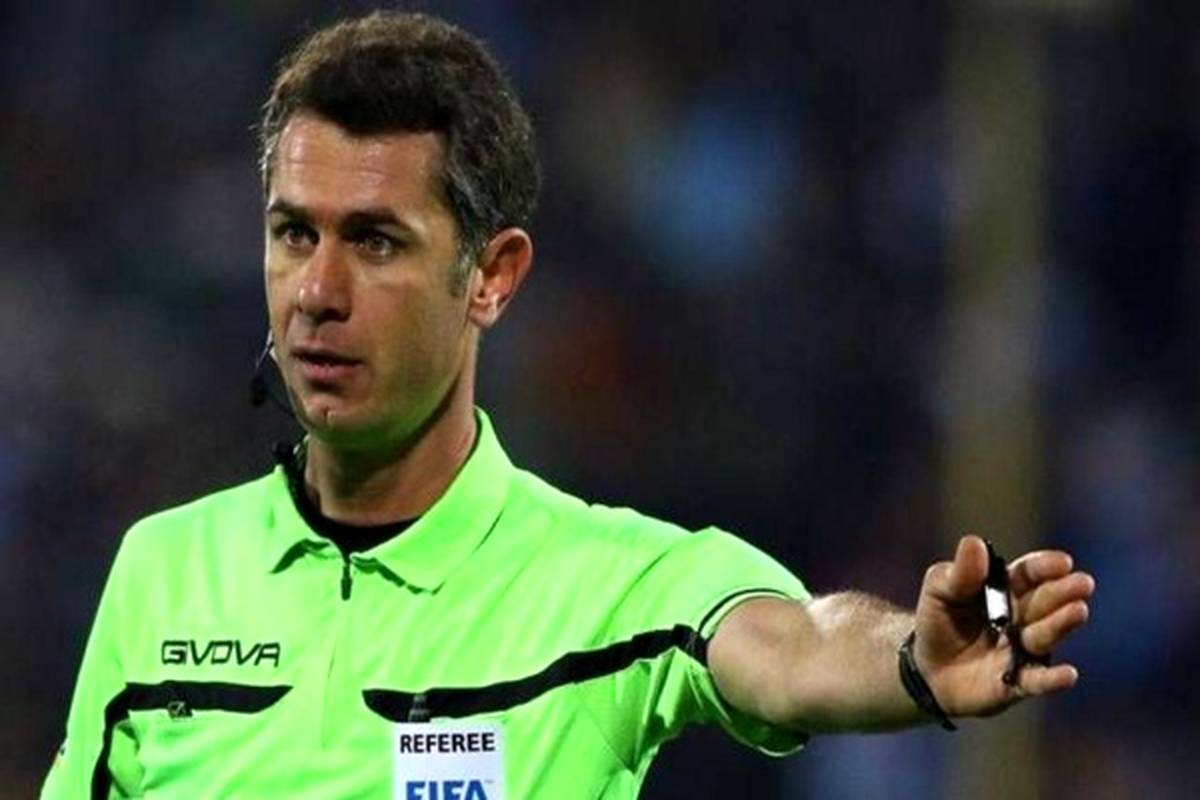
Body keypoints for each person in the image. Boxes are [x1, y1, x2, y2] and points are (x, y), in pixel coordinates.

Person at [42, 11, 1094, 800]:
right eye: (292, 234)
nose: (317, 290)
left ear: (491, 276)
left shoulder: (613, 588)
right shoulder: (161, 570)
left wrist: (911, 659)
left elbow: (794, 645)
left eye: (375, 240)